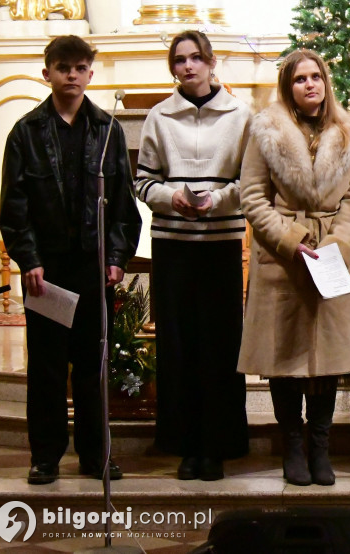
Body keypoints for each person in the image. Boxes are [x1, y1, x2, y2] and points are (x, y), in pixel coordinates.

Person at [0, 35, 140, 484]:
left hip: (93, 265)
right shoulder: (26, 131)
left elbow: (122, 202)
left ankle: (96, 454)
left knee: (92, 362)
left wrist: (117, 255)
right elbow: (14, 204)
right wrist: (29, 259)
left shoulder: (106, 130)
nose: (72, 75)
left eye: (80, 68)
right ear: (47, 73)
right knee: (46, 364)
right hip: (48, 270)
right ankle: (45, 455)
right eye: (63, 68)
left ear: (90, 75)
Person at [238, 50, 350, 486]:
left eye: (316, 77)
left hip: (332, 258)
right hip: (284, 260)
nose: (310, 84)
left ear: (326, 81)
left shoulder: (349, 133)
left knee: (330, 359)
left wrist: (336, 244)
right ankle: (292, 445)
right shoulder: (267, 130)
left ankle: (320, 445)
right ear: (287, 86)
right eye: (300, 79)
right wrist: (291, 242)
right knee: (285, 357)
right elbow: (252, 197)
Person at [134, 30, 251, 481]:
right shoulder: (159, 117)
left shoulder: (241, 115)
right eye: (180, 60)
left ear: (211, 62)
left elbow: (251, 182)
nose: (188, 66)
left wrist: (216, 201)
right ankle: (185, 444)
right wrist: (172, 197)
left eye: (196, 58)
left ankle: (219, 445)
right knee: (179, 346)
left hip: (220, 245)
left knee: (221, 347)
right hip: (173, 246)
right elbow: (143, 181)